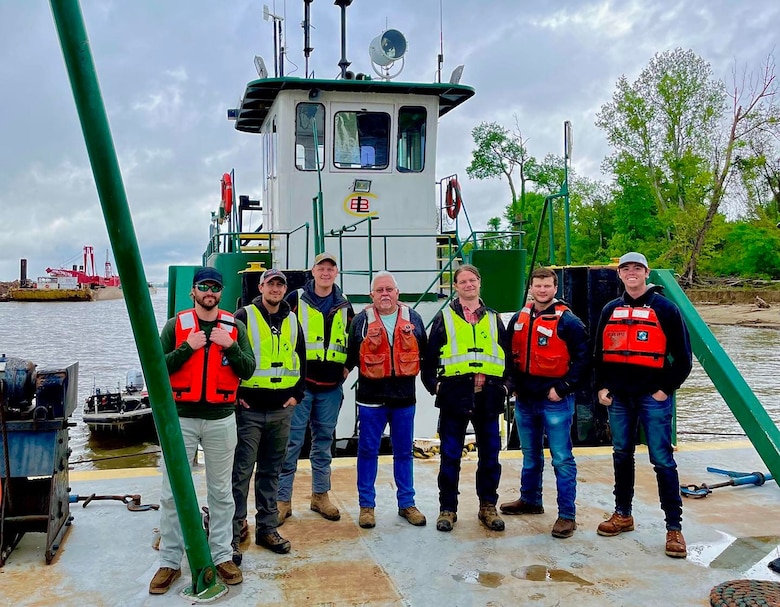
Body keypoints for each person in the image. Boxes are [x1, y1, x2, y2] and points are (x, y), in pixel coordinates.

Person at [151, 267, 255, 595]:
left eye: (215, 287)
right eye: (203, 286)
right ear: (193, 291)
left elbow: (249, 370)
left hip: (222, 418)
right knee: (172, 493)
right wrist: (188, 348)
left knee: (221, 493)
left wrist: (231, 347)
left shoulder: (234, 327)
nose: (209, 292)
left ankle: (222, 554)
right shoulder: (176, 326)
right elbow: (155, 367)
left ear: (221, 293)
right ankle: (169, 560)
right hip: (180, 419)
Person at [593, 252, 692, 558]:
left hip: (653, 396)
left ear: (646, 273)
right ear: (620, 274)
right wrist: (602, 387)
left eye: (637, 268)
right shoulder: (611, 309)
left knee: (662, 460)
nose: (631, 273)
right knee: (622, 455)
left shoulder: (666, 309)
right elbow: (599, 354)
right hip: (620, 398)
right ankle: (622, 514)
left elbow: (684, 359)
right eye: (626, 269)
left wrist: (665, 389)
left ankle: (673, 528)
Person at [500, 267, 589, 539]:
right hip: (526, 399)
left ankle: (566, 515)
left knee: (561, 458)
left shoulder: (569, 322)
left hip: (555, 400)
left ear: (555, 288)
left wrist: (562, 388)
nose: (542, 290)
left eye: (547, 286)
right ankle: (530, 499)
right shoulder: (519, 318)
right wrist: (511, 386)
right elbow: (508, 354)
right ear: (531, 288)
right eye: (537, 286)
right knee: (530, 455)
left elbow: (584, 359)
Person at [422, 264, 512, 533]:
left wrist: (506, 387)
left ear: (479, 283)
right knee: (450, 457)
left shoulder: (494, 319)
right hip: (454, 398)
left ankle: (488, 507)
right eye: (462, 281)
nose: (468, 285)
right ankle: (447, 509)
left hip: (489, 398)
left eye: (472, 280)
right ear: (456, 286)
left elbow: (507, 355)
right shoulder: (444, 318)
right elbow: (429, 357)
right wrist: (435, 387)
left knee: (490, 457)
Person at [231, 269, 306, 560]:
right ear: (261, 287)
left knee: (271, 472)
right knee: (241, 472)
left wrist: (296, 395)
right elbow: (229, 357)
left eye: (280, 285)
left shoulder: (292, 320)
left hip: (281, 411)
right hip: (249, 410)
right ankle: (235, 530)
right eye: (270, 284)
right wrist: (236, 394)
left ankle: (267, 527)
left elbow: (301, 359)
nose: (275, 289)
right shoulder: (244, 316)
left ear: (284, 289)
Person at [346, 271, 428, 529]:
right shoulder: (360, 321)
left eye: (389, 289)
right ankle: (367, 507)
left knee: (404, 452)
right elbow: (351, 356)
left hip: (404, 398)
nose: (384, 294)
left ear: (397, 293)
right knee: (367, 452)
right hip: (371, 400)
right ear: (372, 295)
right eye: (379, 290)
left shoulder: (413, 319)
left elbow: (424, 352)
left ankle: (407, 503)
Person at [278, 252, 354, 523]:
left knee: (323, 443)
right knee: (291, 443)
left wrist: (347, 367)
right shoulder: (295, 299)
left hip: (331, 387)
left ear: (336, 273)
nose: (325, 272)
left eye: (330, 269)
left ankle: (320, 495)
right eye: (321, 268)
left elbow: (352, 338)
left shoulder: (344, 305)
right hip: (300, 387)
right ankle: (282, 500)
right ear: (313, 271)